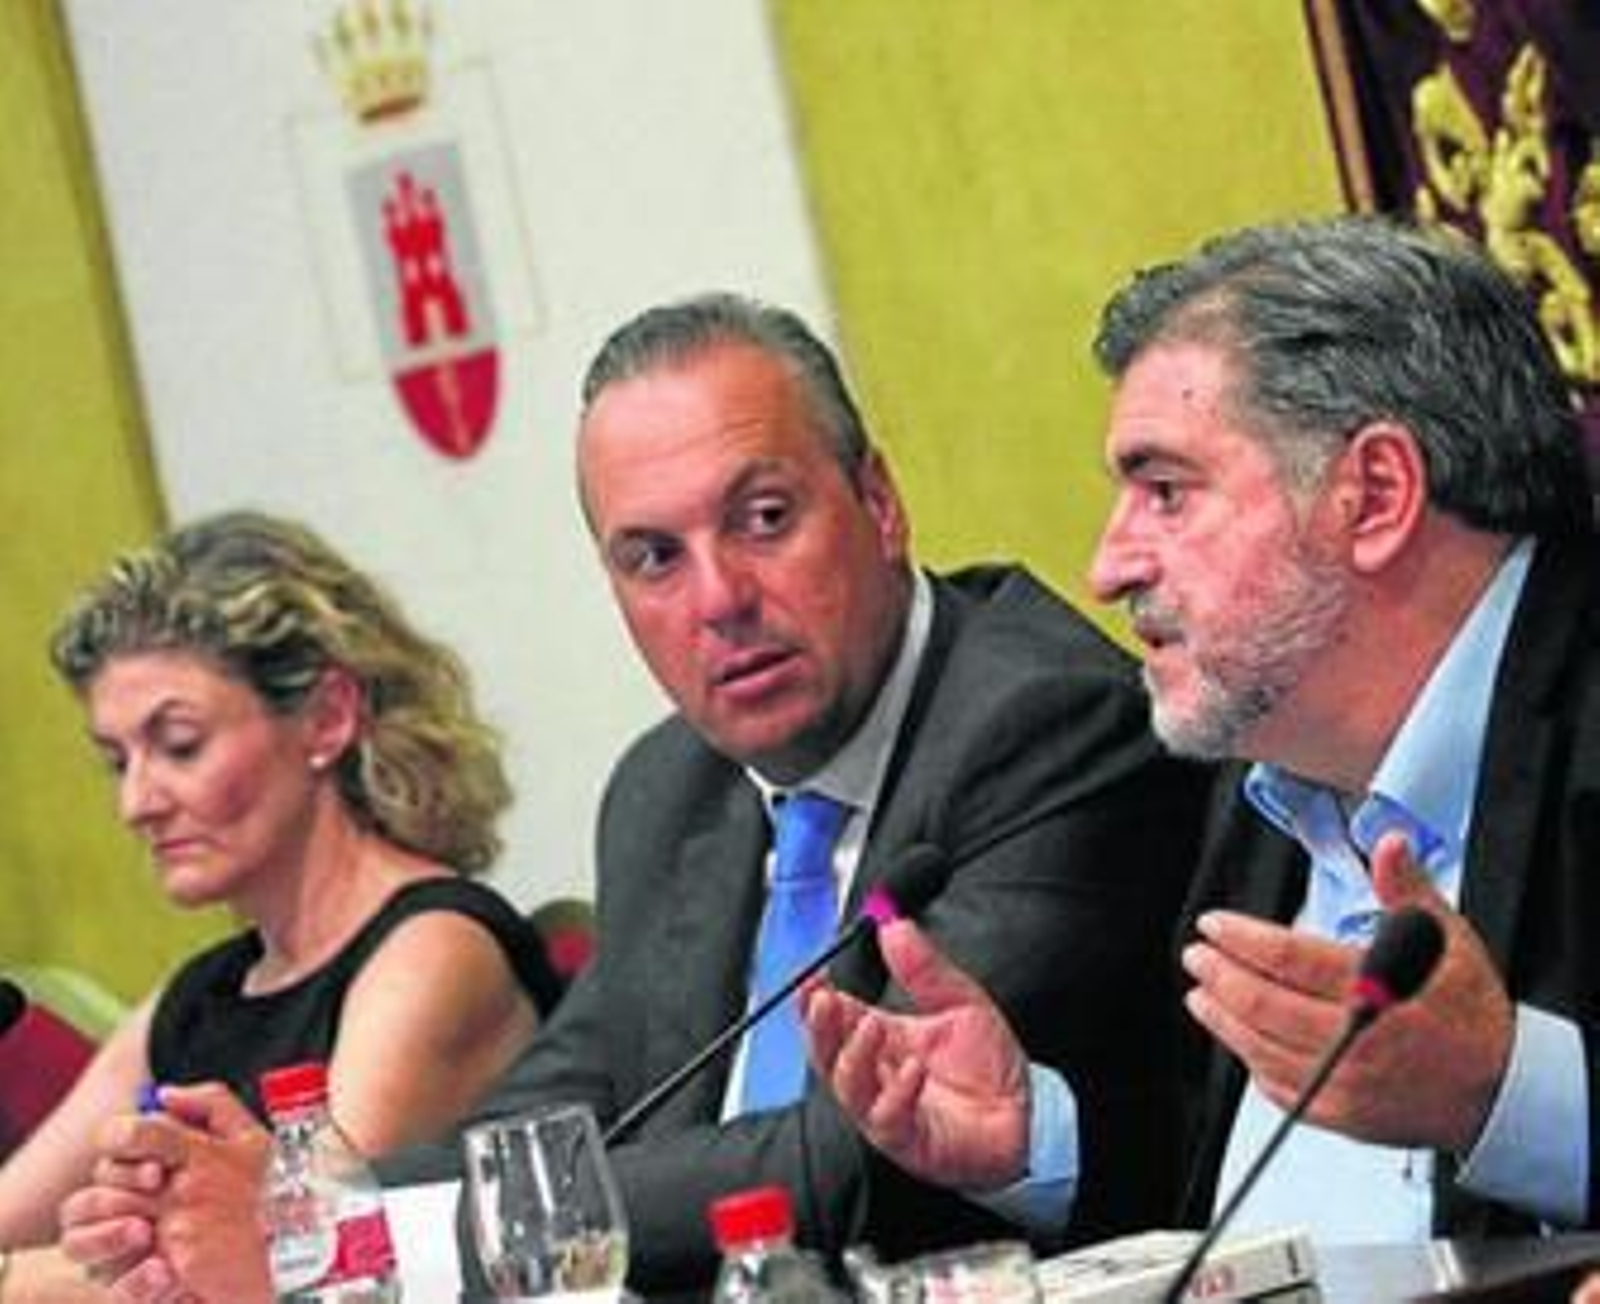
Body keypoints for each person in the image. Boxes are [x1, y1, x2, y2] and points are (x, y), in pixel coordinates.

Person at [61, 295, 1214, 1300]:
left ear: (878, 499)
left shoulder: (1042, 722)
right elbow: (553, 1113)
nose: (719, 597)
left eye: (763, 519)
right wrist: (302, 1200)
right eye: (652, 557)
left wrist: (352, 1236)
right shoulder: (672, 785)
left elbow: (856, 1155)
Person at [803, 214, 1600, 1244]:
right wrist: (1034, 1141)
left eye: (1166, 491)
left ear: (1375, 497)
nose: (1108, 565)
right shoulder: (1264, 787)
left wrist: (1506, 1092)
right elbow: (1243, 1205)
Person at [1, 511, 560, 1301]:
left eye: (180, 744)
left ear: (327, 717)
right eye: (116, 760)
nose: (137, 802)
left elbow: (312, 1261)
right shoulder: (203, 994)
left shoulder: (435, 951)